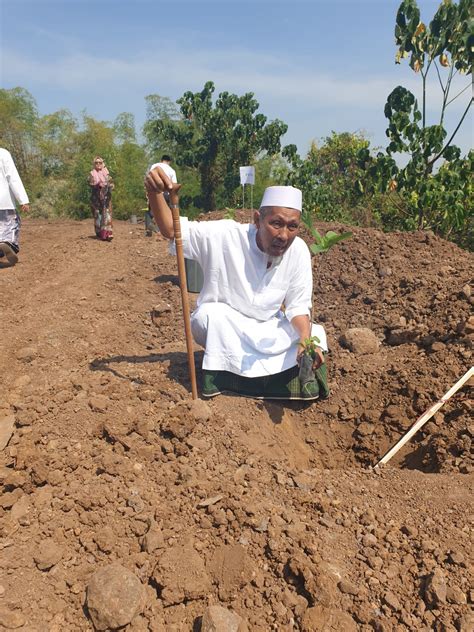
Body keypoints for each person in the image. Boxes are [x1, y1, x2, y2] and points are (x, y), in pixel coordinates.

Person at [145, 166, 330, 401]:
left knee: (315, 332)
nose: (284, 235)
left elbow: (298, 306)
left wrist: (305, 337)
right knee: (211, 316)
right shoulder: (224, 235)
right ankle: (237, 380)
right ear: (257, 220)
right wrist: (153, 192)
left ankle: (260, 380)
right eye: (276, 223)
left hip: (266, 329)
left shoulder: (299, 251)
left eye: (292, 226)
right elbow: (172, 230)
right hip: (225, 326)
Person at [0, 147, 30, 266]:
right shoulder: (3, 153)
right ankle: (7, 244)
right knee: (10, 226)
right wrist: (23, 199)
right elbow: (12, 177)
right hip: (4, 201)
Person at [145, 155, 177, 236]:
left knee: (150, 212)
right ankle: (161, 230)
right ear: (169, 162)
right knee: (165, 212)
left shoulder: (154, 166)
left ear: (161, 160)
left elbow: (150, 178)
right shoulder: (172, 170)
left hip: (155, 192)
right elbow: (174, 185)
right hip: (166, 194)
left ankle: (149, 229)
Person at [88, 156, 114, 241]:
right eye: (96, 163)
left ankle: (108, 234)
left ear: (103, 164)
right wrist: (97, 184)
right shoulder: (92, 173)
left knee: (107, 214)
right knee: (98, 215)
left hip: (106, 197)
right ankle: (100, 233)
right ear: (94, 164)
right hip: (96, 198)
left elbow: (112, 183)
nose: (98, 164)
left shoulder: (106, 173)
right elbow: (90, 182)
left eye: (100, 162)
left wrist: (110, 185)